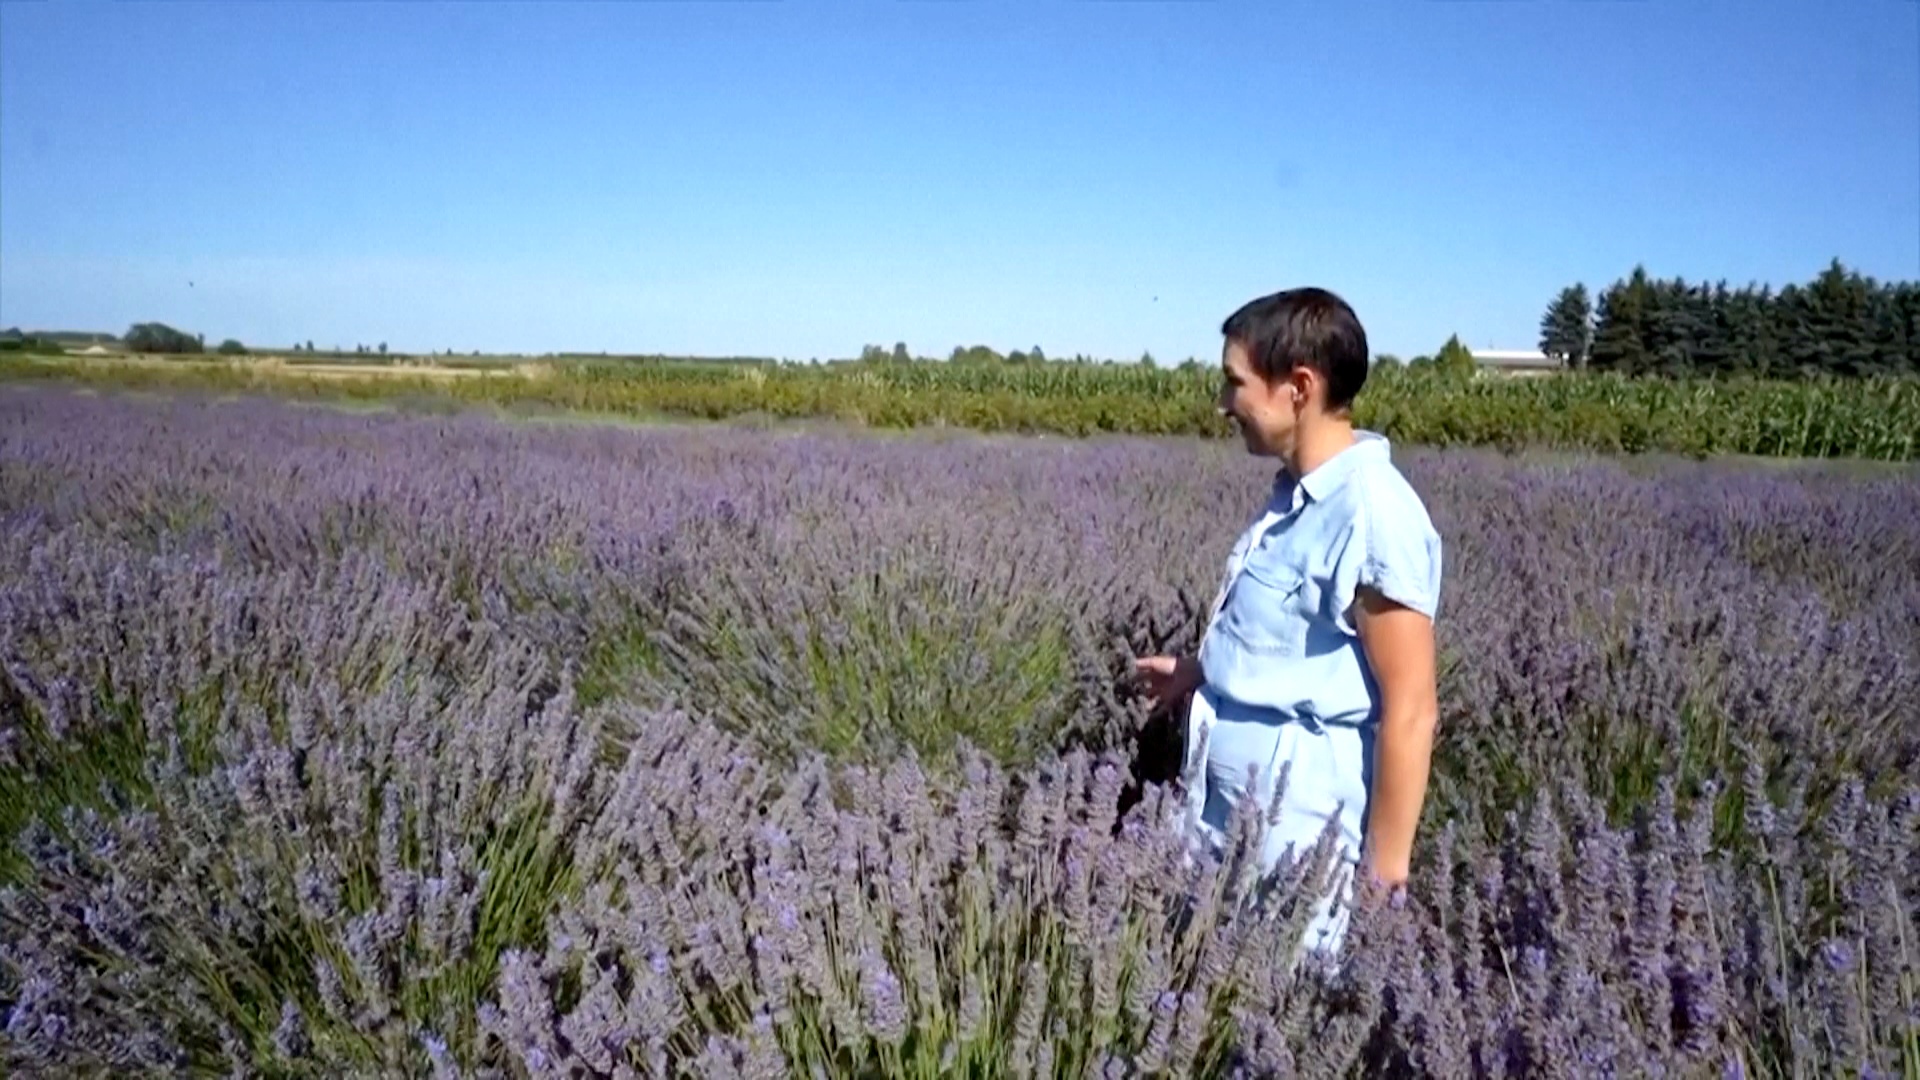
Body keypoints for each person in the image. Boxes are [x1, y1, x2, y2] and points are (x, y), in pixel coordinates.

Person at [1133, 286, 1442, 956]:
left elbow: (1412, 709)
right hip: (1219, 825)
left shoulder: (1373, 512)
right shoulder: (1293, 498)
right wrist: (1195, 674)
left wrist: (1383, 882)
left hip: (1293, 851)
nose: (1223, 403)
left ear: (1299, 388)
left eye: (1235, 383)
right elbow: (1293, 646)